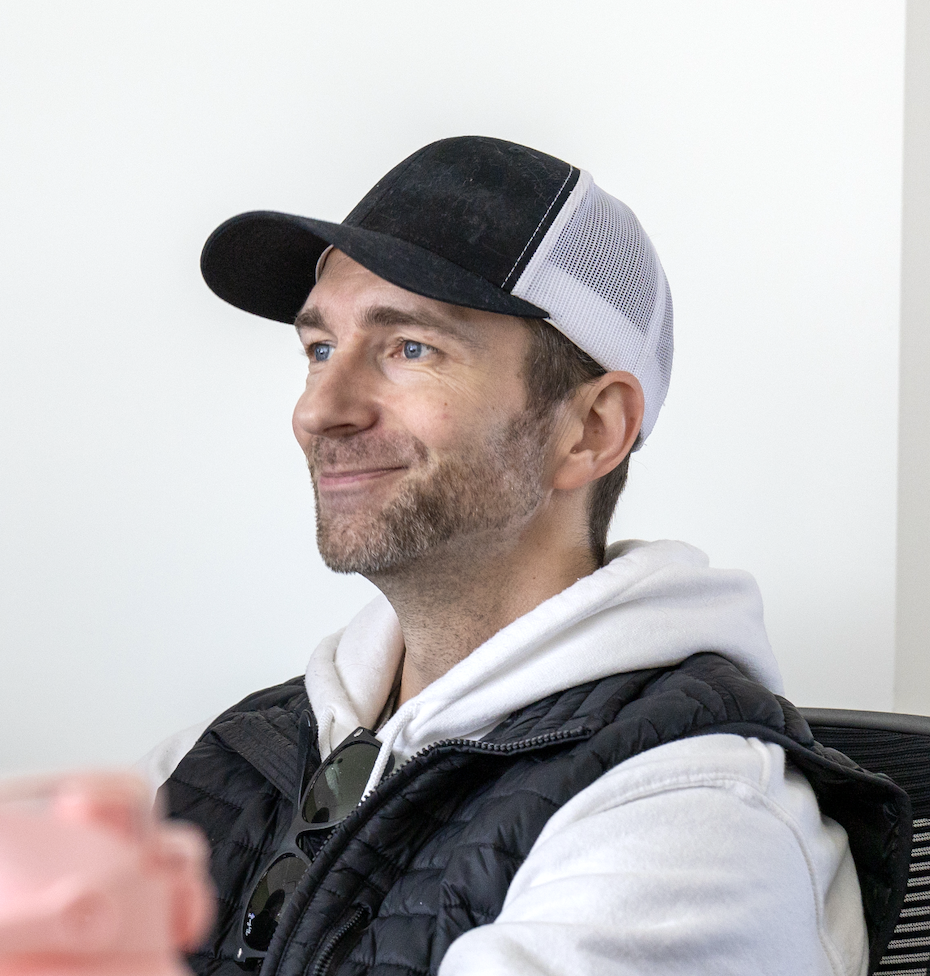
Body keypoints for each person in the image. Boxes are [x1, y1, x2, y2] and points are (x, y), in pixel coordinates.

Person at [144, 136, 908, 976]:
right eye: (320, 349)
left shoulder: (699, 825)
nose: (320, 410)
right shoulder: (225, 759)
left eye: (410, 349)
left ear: (591, 430)